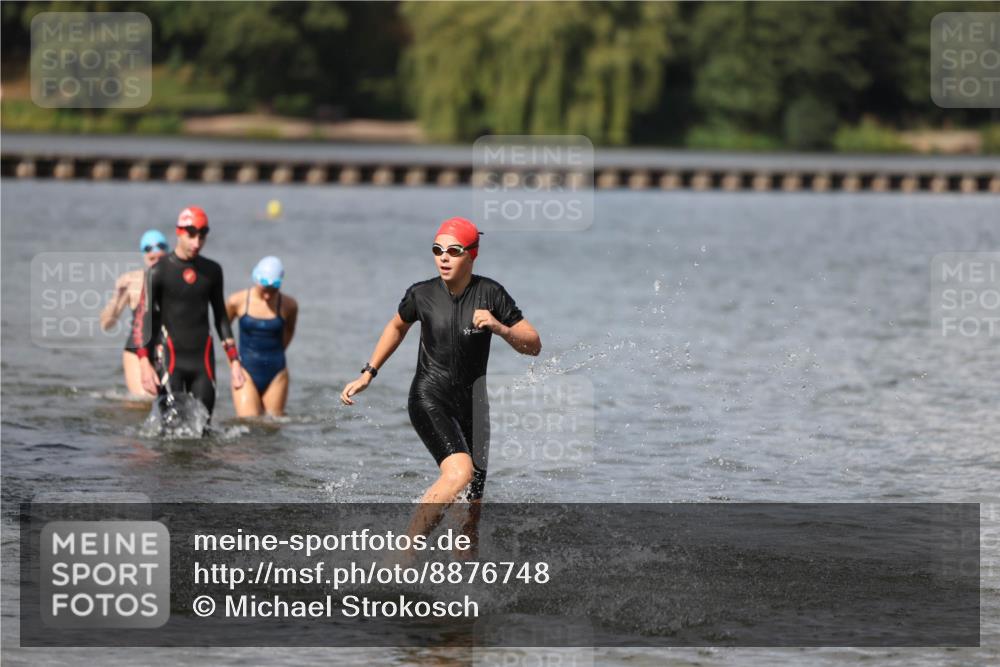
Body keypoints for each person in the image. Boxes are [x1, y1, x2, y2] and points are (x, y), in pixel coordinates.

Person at [340, 216, 541, 508]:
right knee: (460, 473)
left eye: (453, 251)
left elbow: (533, 345)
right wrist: (368, 372)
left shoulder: (491, 294)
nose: (444, 258)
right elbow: (397, 326)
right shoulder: (422, 294)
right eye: (437, 250)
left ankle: (455, 555)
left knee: (470, 514)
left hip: (475, 409)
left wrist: (501, 328)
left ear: (472, 254)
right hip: (430, 396)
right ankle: (404, 551)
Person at [134, 206, 245, 417]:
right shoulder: (159, 272)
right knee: (171, 431)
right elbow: (143, 318)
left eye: (202, 237)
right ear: (179, 232)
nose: (196, 243)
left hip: (202, 363)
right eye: (191, 235)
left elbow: (221, 318)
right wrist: (144, 363)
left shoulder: (212, 271)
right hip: (171, 359)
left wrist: (235, 363)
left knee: (203, 430)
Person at [225, 256, 298, 417]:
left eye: (273, 291)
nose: (267, 296)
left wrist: (277, 352)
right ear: (255, 279)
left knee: (273, 426)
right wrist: (233, 363)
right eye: (264, 289)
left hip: (277, 372)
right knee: (249, 422)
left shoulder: (289, 305)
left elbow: (289, 330)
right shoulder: (236, 301)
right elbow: (223, 330)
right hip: (245, 371)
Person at [100, 230, 167, 398]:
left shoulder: (175, 279)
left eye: (159, 258)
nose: (156, 263)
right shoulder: (133, 281)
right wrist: (118, 296)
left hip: (167, 347)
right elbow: (106, 324)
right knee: (142, 401)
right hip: (136, 348)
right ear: (144, 257)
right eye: (152, 259)